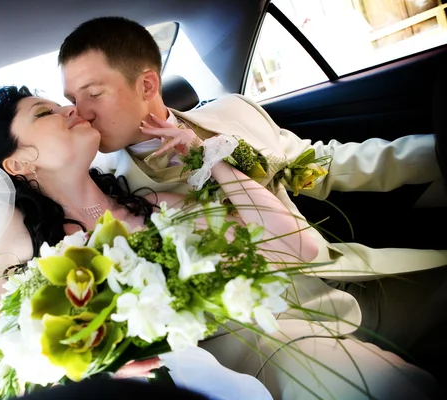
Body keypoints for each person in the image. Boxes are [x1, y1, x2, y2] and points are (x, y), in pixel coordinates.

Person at [57, 16, 447, 390]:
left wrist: (437, 155)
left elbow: (322, 166)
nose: (81, 112)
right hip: (271, 340)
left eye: (94, 94)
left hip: (350, 282)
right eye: (72, 99)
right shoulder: (103, 188)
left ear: (146, 85)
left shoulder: (232, 113)